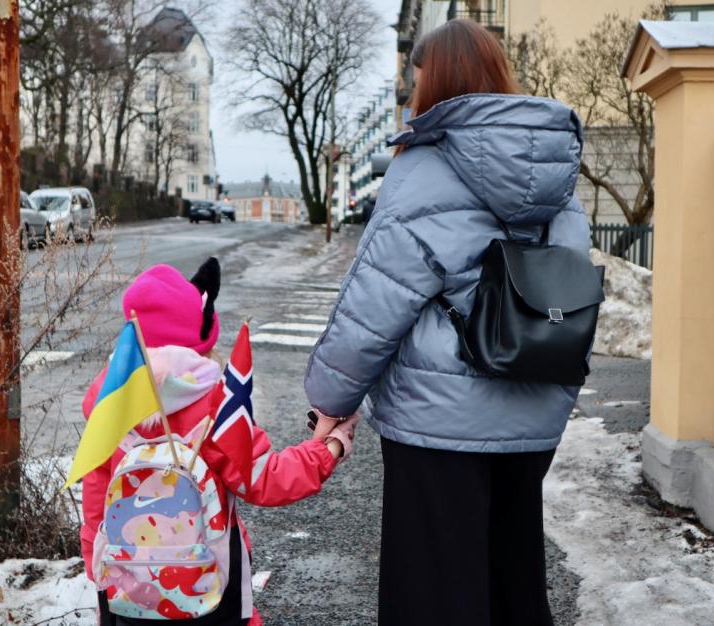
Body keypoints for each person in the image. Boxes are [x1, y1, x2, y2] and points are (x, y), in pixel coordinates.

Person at [304, 18, 590, 626]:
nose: (411, 91)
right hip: (532, 402)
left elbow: (378, 300)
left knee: (433, 590)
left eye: (415, 77)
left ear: (435, 80)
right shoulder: (558, 173)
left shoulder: (425, 168)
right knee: (511, 580)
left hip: (437, 420)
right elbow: (569, 285)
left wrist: (331, 397)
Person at [80, 258, 358, 626]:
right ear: (199, 343)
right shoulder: (213, 406)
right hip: (209, 584)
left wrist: (95, 566)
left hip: (130, 587)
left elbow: (96, 498)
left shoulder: (110, 403)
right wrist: (329, 447)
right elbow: (266, 479)